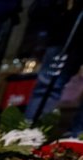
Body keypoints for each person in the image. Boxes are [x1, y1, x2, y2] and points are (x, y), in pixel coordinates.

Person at [24, 0, 83, 134]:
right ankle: (28, 138)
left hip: (66, 27)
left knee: (47, 87)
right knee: (47, 86)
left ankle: (77, 144)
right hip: (68, 27)